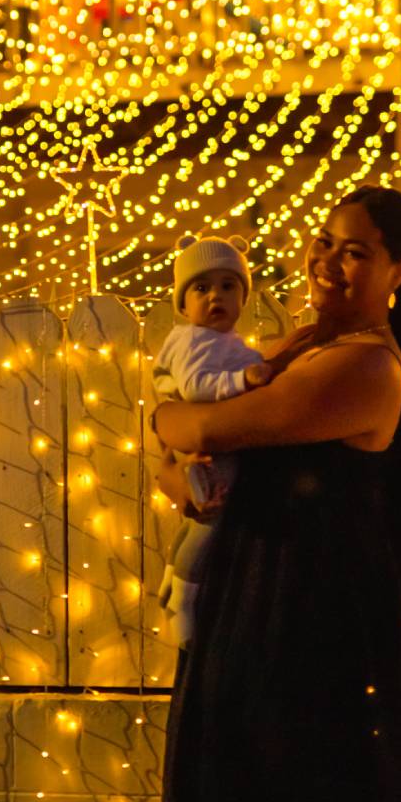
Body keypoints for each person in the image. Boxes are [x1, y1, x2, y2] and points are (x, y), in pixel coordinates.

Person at [149, 186, 401, 802]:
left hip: (316, 630)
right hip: (250, 606)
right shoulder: (297, 349)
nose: (328, 262)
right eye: (324, 242)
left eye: (357, 253)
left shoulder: (366, 366)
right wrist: (181, 476)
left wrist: (165, 413)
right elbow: (183, 468)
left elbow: (203, 432)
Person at [150, 234, 276, 648]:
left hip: (214, 446)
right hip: (213, 453)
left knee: (196, 521)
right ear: (183, 304)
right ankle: (185, 599)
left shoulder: (222, 342)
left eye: (228, 285)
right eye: (201, 288)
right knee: (210, 524)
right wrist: (244, 379)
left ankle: (172, 579)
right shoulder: (195, 340)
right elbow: (197, 387)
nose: (215, 296)